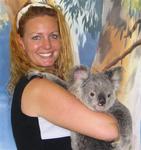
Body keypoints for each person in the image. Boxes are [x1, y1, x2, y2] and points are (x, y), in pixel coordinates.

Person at [9, 1, 119, 150]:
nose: (47, 45)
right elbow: (109, 129)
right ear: (21, 43)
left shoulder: (51, 83)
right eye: (36, 37)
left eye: (54, 36)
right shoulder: (38, 88)